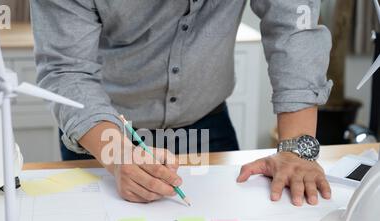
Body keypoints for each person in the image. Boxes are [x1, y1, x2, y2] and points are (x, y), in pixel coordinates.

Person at [30, 0, 333, 207]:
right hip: (104, 134)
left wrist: (296, 150)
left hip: (207, 123)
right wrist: (119, 153)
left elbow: (294, 27)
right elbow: (67, 71)